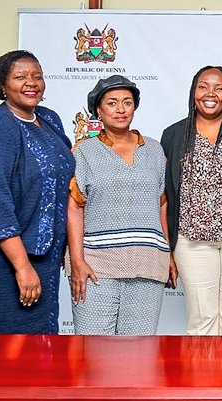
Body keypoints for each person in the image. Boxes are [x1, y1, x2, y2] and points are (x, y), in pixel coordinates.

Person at [0, 50, 75, 334]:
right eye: (20, 77)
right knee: (11, 346)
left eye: (37, 76)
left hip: (47, 254)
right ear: (2, 85)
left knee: (43, 340)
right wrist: (22, 267)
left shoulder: (48, 118)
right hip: (10, 259)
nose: (31, 83)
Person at [67, 76, 174, 335]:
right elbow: (74, 208)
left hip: (147, 262)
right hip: (96, 265)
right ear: (98, 110)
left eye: (127, 102)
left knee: (137, 352)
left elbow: (162, 205)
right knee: (93, 350)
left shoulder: (154, 150)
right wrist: (77, 260)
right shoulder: (83, 151)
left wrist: (168, 253)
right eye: (112, 103)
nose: (121, 109)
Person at [161, 66, 222, 335]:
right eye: (203, 86)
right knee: (202, 322)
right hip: (192, 242)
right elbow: (165, 194)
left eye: (219, 88)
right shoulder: (174, 134)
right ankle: (204, 379)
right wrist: (167, 248)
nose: (210, 93)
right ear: (194, 92)